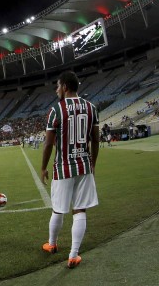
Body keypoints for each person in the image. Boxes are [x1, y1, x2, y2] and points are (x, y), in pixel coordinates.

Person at [40, 70, 99, 269]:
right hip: (84, 165)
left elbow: (48, 144)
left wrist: (43, 168)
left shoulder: (56, 110)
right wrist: (93, 163)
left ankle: (53, 245)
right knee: (79, 210)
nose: (57, 90)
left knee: (58, 209)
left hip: (63, 167)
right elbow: (95, 139)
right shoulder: (91, 108)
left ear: (65, 86)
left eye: (58, 86)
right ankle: (73, 255)